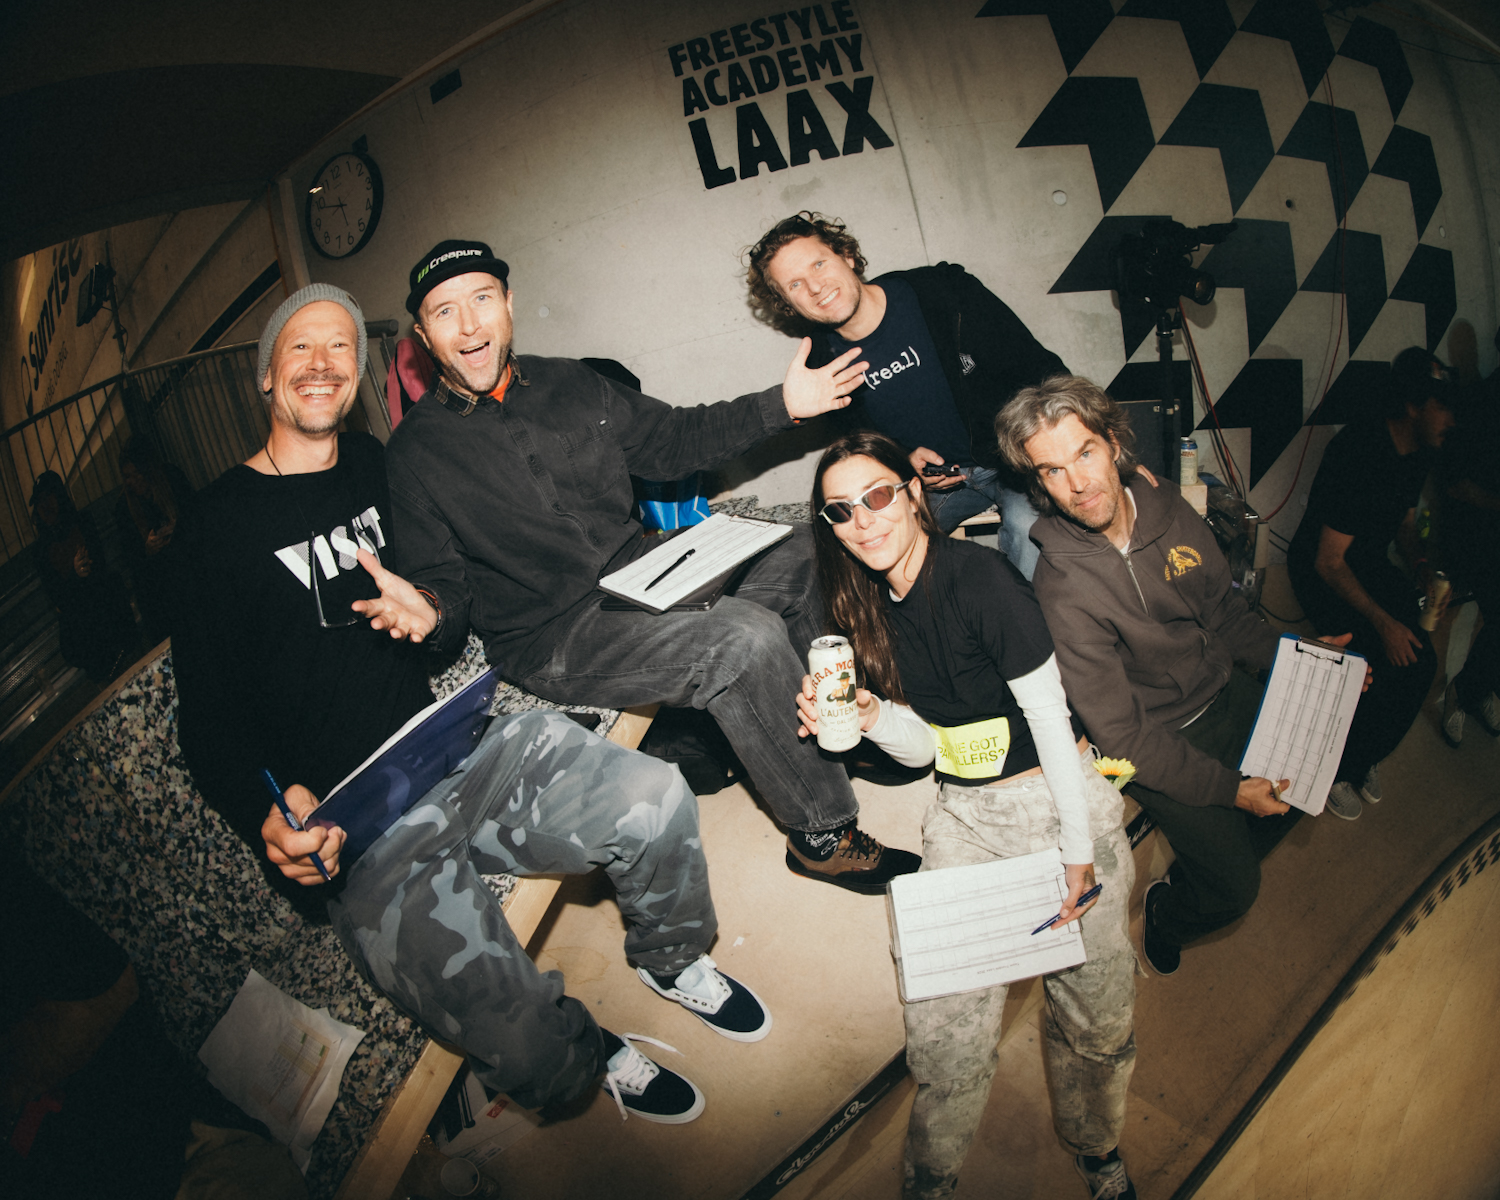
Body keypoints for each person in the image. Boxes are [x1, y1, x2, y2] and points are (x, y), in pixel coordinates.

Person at [173, 284, 771, 1128]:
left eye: (340, 346)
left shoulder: (380, 465)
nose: (322, 364)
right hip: (359, 827)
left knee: (657, 796)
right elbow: (206, 721)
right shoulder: (212, 528)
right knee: (536, 1060)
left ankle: (670, 959)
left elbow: (445, 591)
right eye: (299, 347)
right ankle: (583, 1048)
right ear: (266, 375)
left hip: (458, 748)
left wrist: (432, 613)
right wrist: (264, 811)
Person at [383, 239, 920, 895]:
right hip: (555, 632)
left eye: (481, 300)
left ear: (509, 305)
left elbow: (674, 440)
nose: (469, 326)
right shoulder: (414, 453)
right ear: (423, 336)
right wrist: (429, 611)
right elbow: (441, 587)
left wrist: (782, 405)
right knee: (740, 641)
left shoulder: (570, 382)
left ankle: (836, 731)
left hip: (642, 566)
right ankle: (821, 835)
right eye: (445, 312)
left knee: (808, 548)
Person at [798, 431, 1138, 1200]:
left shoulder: (979, 579)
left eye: (878, 496)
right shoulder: (862, 608)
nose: (863, 521)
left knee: (1096, 1019)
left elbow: (1050, 719)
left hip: (1058, 800)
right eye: (841, 510)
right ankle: (932, 1179)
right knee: (942, 1034)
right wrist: (870, 714)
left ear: (915, 493)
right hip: (964, 813)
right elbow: (928, 748)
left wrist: (1076, 852)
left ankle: (1097, 1148)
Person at [995, 376, 1312, 978]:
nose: (1077, 483)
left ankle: (1226, 837)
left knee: (1301, 786)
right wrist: (1227, 789)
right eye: (1052, 470)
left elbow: (1226, 615)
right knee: (1236, 889)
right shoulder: (1060, 589)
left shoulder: (1172, 511)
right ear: (1038, 483)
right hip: (1157, 736)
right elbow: (1125, 737)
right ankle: (1170, 913)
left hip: (1223, 686)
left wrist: (1304, 660)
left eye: (1085, 453)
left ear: (1114, 444)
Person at [746, 211, 1068, 578]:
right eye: (795, 284)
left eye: (819, 264)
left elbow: (1040, 371)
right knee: (863, 549)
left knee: (1033, 531)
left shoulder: (942, 292)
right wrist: (899, 462)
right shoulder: (822, 364)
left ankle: (1022, 612)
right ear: (788, 304)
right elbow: (860, 446)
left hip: (1014, 460)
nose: (815, 287)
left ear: (846, 255)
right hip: (931, 485)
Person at [1287, 347, 1453, 806]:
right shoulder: (1359, 452)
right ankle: (1336, 771)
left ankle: (1365, 755)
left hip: (1365, 564)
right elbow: (1328, 562)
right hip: (1321, 569)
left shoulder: (1419, 452)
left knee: (1421, 661)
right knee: (1375, 659)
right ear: (1413, 406)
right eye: (1442, 407)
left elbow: (1404, 525)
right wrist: (1384, 623)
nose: (1451, 420)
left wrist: (1420, 566)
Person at [29, 471, 137, 680]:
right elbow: (57, 596)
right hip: (83, 631)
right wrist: (75, 575)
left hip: (106, 614)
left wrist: (79, 578)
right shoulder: (41, 550)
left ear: (59, 496)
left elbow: (99, 567)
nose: (44, 506)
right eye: (39, 502)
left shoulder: (82, 522)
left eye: (48, 497)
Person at [113, 439, 194, 644]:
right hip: (158, 583)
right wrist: (147, 549)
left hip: (186, 566)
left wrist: (179, 526)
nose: (133, 481)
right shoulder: (124, 508)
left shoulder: (171, 478)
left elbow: (196, 514)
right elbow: (130, 558)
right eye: (127, 476)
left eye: (136, 473)